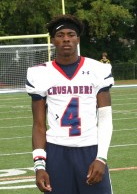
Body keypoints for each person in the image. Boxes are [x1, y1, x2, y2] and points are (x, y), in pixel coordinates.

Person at [26, 14, 114, 194]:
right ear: (53, 41)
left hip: (90, 150)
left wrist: (102, 158)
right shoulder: (41, 73)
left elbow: (105, 119)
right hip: (56, 152)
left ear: (78, 39)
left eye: (71, 34)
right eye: (60, 35)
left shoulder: (98, 69)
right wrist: (39, 165)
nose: (66, 39)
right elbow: (39, 125)